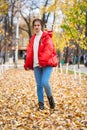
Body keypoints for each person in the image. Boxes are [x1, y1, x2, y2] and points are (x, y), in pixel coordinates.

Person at [24, 18, 58, 110]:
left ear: (41, 26)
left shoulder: (46, 36)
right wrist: (27, 64)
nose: (36, 27)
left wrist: (42, 62)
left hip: (47, 64)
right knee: (39, 85)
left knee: (44, 82)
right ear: (33, 27)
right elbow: (30, 52)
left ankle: (50, 99)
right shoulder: (33, 38)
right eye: (35, 25)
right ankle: (41, 104)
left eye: (38, 25)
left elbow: (49, 50)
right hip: (36, 65)